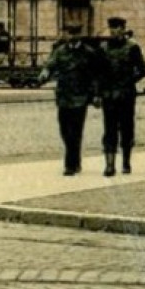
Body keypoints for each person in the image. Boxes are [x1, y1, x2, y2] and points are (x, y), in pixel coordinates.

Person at [38, 24, 103, 176]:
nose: (72, 37)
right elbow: (50, 64)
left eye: (75, 33)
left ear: (80, 34)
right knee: (64, 131)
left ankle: (71, 165)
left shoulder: (88, 53)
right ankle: (75, 160)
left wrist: (96, 94)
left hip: (80, 96)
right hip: (64, 96)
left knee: (75, 131)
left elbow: (95, 76)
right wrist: (44, 72)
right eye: (69, 33)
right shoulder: (61, 51)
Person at [97, 17, 145, 177]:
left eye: (117, 28)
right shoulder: (104, 48)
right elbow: (97, 72)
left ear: (123, 29)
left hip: (126, 95)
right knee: (109, 129)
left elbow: (143, 69)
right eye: (112, 28)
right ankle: (109, 165)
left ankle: (126, 162)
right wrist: (98, 92)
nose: (114, 31)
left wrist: (129, 80)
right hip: (109, 95)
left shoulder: (132, 48)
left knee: (127, 128)